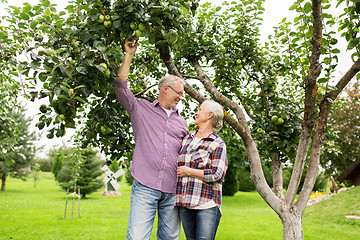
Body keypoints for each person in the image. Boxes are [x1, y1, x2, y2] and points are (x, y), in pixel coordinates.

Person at [114, 39, 188, 240]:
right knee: (137, 237)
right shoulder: (140, 108)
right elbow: (120, 87)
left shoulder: (182, 123)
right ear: (166, 89)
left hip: (173, 189)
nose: (181, 97)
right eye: (179, 93)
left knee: (170, 238)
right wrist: (129, 54)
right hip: (145, 185)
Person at [176, 100, 228, 240]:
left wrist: (189, 171)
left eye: (200, 110)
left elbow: (217, 174)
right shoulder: (187, 139)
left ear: (210, 115)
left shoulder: (217, 143)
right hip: (186, 203)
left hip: (207, 204)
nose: (196, 113)